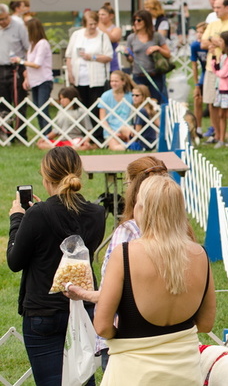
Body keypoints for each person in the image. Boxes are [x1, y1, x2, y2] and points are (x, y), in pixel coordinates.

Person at [95, 176, 215, 385]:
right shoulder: (200, 255)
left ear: (144, 209)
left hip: (132, 373)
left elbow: (102, 326)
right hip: (185, 372)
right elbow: (205, 324)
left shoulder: (124, 255)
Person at [6, 147, 105, 386]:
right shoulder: (97, 213)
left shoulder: (37, 215)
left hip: (43, 310)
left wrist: (18, 219)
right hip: (82, 306)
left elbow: (14, 261)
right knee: (84, 378)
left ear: (46, 177)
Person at [63, 156, 170, 369]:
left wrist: (82, 294)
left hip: (126, 342)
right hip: (172, 341)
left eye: (128, 184)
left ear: (134, 188)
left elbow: (110, 297)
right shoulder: (184, 236)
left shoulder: (128, 231)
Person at [65, 10, 113, 141]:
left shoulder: (103, 36)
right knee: (82, 108)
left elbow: (109, 56)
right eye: (90, 24)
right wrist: (70, 73)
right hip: (79, 78)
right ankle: (84, 135)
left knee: (95, 109)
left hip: (96, 79)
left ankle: (97, 137)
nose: (93, 27)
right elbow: (68, 55)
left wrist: (92, 57)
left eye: (94, 24)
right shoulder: (76, 35)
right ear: (85, 24)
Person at [125, 9, 171, 104]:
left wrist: (157, 48)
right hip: (138, 75)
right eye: (134, 20)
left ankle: (158, 119)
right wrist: (127, 55)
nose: (136, 22)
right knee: (139, 103)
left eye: (139, 20)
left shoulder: (157, 36)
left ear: (146, 21)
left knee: (156, 103)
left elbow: (168, 54)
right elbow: (130, 60)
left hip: (155, 75)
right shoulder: (131, 38)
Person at [18, 18, 53, 133]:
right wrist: (26, 78)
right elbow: (30, 65)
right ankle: (43, 134)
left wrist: (20, 61)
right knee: (38, 110)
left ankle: (48, 134)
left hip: (44, 80)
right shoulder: (32, 45)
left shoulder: (42, 43)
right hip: (34, 81)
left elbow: (37, 64)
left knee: (43, 109)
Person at [208, 31, 228, 148]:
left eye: (221, 40)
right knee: (221, 114)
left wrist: (217, 72)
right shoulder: (223, 55)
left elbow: (224, 72)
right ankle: (221, 139)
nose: (219, 43)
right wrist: (213, 57)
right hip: (221, 88)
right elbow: (217, 68)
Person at [0, 6, 30, 134]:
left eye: (4, 19)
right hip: (1, 68)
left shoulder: (19, 26)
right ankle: (5, 133)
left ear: (9, 14)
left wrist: (27, 69)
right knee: (3, 103)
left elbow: (28, 48)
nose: (2, 22)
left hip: (16, 69)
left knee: (19, 102)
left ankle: (21, 134)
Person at [99, 70, 135, 151]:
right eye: (112, 81)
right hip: (111, 130)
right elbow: (102, 119)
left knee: (127, 130)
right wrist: (112, 132)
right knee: (116, 148)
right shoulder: (105, 96)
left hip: (127, 128)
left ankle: (131, 145)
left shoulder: (130, 96)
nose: (113, 83)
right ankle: (129, 146)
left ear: (123, 82)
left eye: (116, 81)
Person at [127, 85, 158, 151]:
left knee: (117, 147)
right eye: (132, 95)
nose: (134, 97)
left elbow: (138, 132)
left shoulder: (142, 111)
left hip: (142, 144)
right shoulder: (149, 109)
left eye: (137, 95)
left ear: (144, 96)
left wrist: (130, 143)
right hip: (151, 142)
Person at [190, 22, 208, 133]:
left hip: (214, 74)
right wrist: (196, 84)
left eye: (202, 32)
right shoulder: (195, 46)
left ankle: (214, 129)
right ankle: (198, 128)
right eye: (198, 32)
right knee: (197, 98)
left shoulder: (210, 45)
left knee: (211, 103)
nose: (199, 35)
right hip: (204, 73)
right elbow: (194, 66)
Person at [97, 3, 123, 72]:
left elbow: (112, 38)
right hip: (99, 62)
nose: (100, 17)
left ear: (111, 16)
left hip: (112, 63)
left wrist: (100, 24)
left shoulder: (116, 29)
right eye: (99, 15)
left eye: (103, 15)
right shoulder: (96, 29)